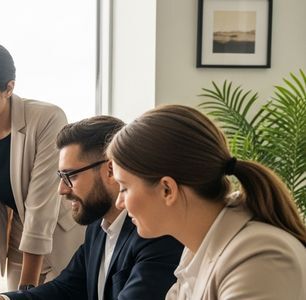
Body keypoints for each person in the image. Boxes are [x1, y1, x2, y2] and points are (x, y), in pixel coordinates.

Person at [0, 116, 183, 300]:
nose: (62, 189)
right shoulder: (98, 226)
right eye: (61, 177)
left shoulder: (156, 234)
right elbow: (67, 287)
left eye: (70, 176)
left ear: (110, 169)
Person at [106, 104, 306, 300]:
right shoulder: (194, 252)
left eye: (124, 188)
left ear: (167, 189)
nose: (119, 203)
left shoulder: (260, 256)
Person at [0, 41, 85, 296]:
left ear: (9, 88)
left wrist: (26, 292)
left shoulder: (47, 119)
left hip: (60, 235)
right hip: (18, 237)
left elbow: (40, 207)